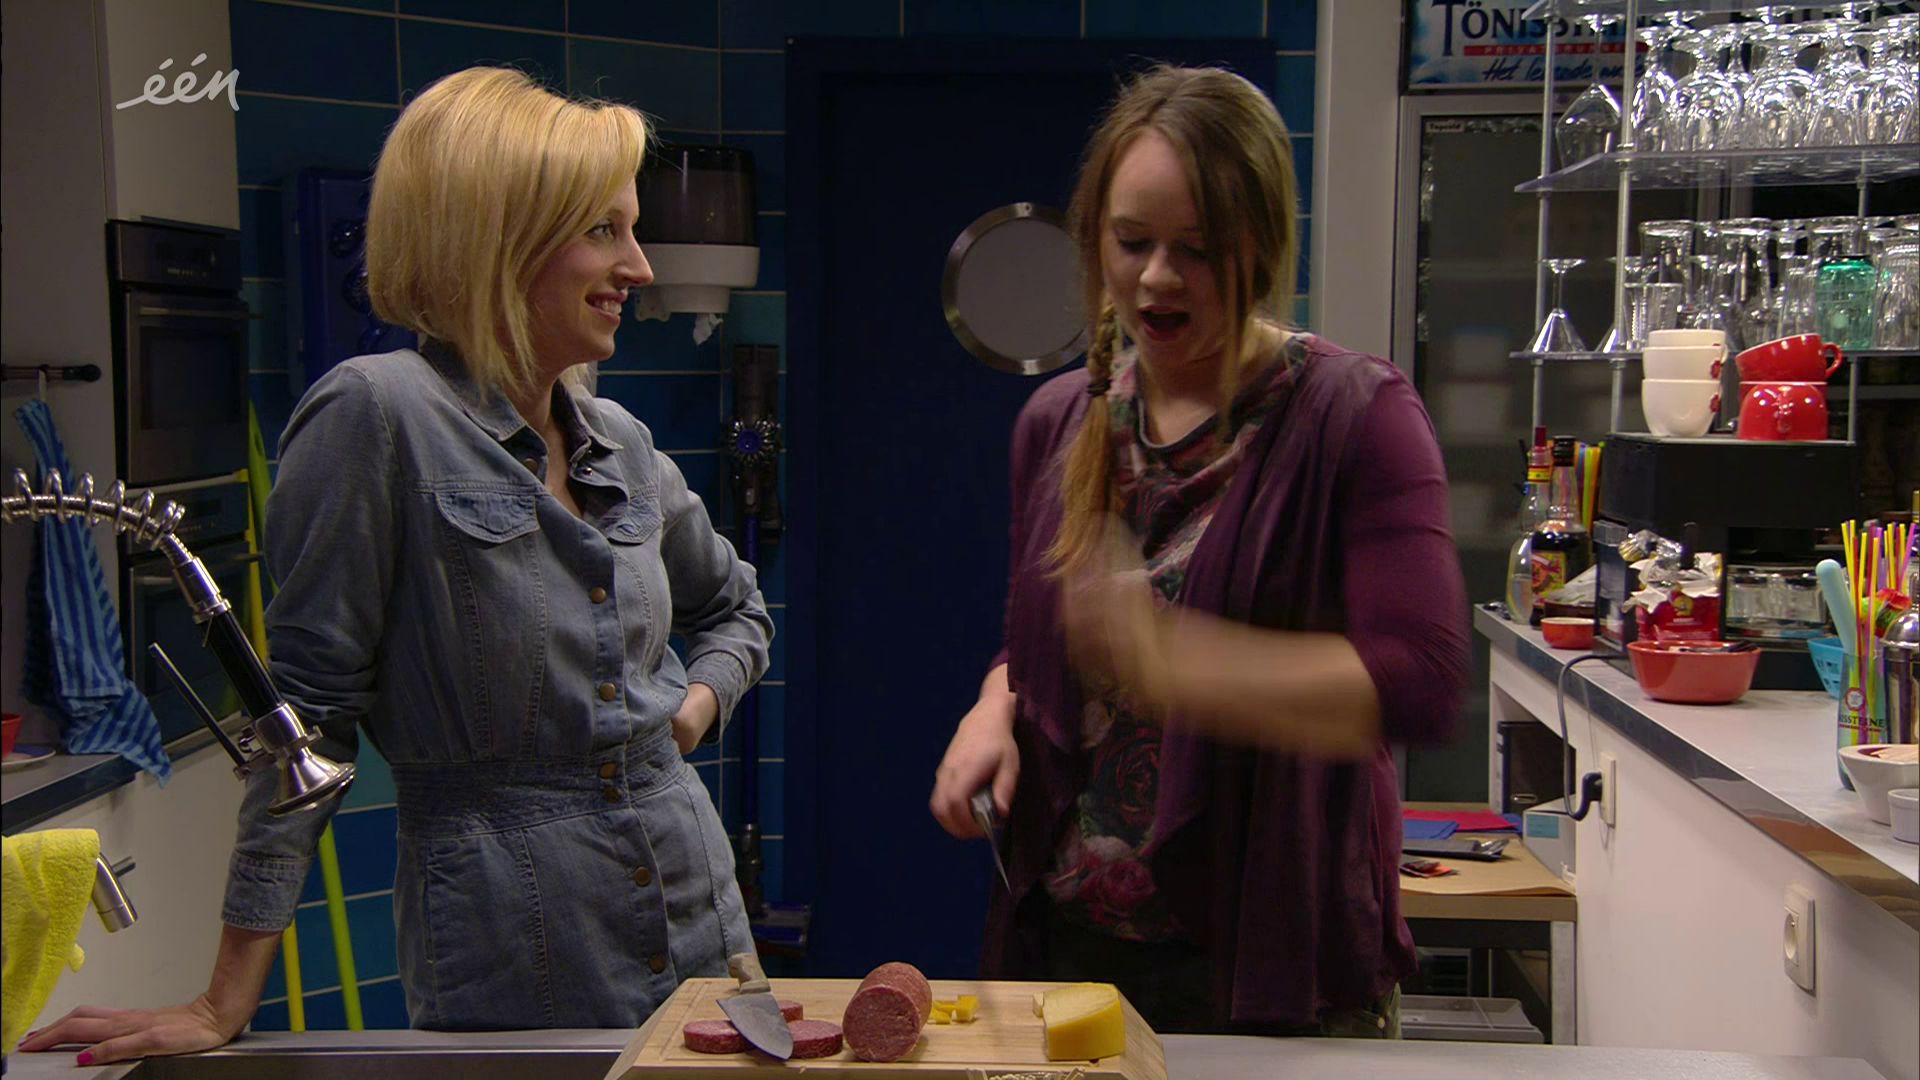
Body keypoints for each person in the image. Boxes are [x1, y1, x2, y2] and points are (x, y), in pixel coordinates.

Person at [22, 67, 772, 1064]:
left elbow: (736, 610)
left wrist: (690, 712)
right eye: (604, 231)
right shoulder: (377, 414)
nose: (637, 266)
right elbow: (305, 724)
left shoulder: (621, 442)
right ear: (497, 237)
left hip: (698, 905)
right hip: (516, 935)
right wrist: (224, 998)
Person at [929, 65, 1469, 1037]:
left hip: (1275, 966)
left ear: (1260, 246)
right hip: (1072, 953)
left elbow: (1421, 682)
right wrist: (994, 706)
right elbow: (1037, 646)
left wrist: (1180, 663)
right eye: (1132, 242)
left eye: (1199, 249)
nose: (1156, 278)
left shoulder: (1357, 416)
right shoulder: (1057, 421)